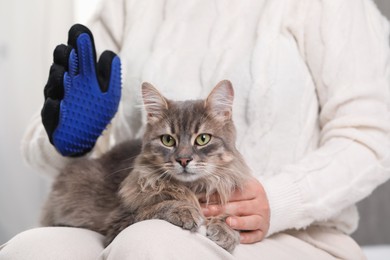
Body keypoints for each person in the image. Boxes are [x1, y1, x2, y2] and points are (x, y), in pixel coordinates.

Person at [1, 0, 390, 259]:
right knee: (30, 250)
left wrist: (281, 199)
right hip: (134, 211)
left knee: (151, 246)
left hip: (293, 234)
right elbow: (68, 124)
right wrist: (69, 138)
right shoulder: (127, 5)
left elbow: (374, 133)